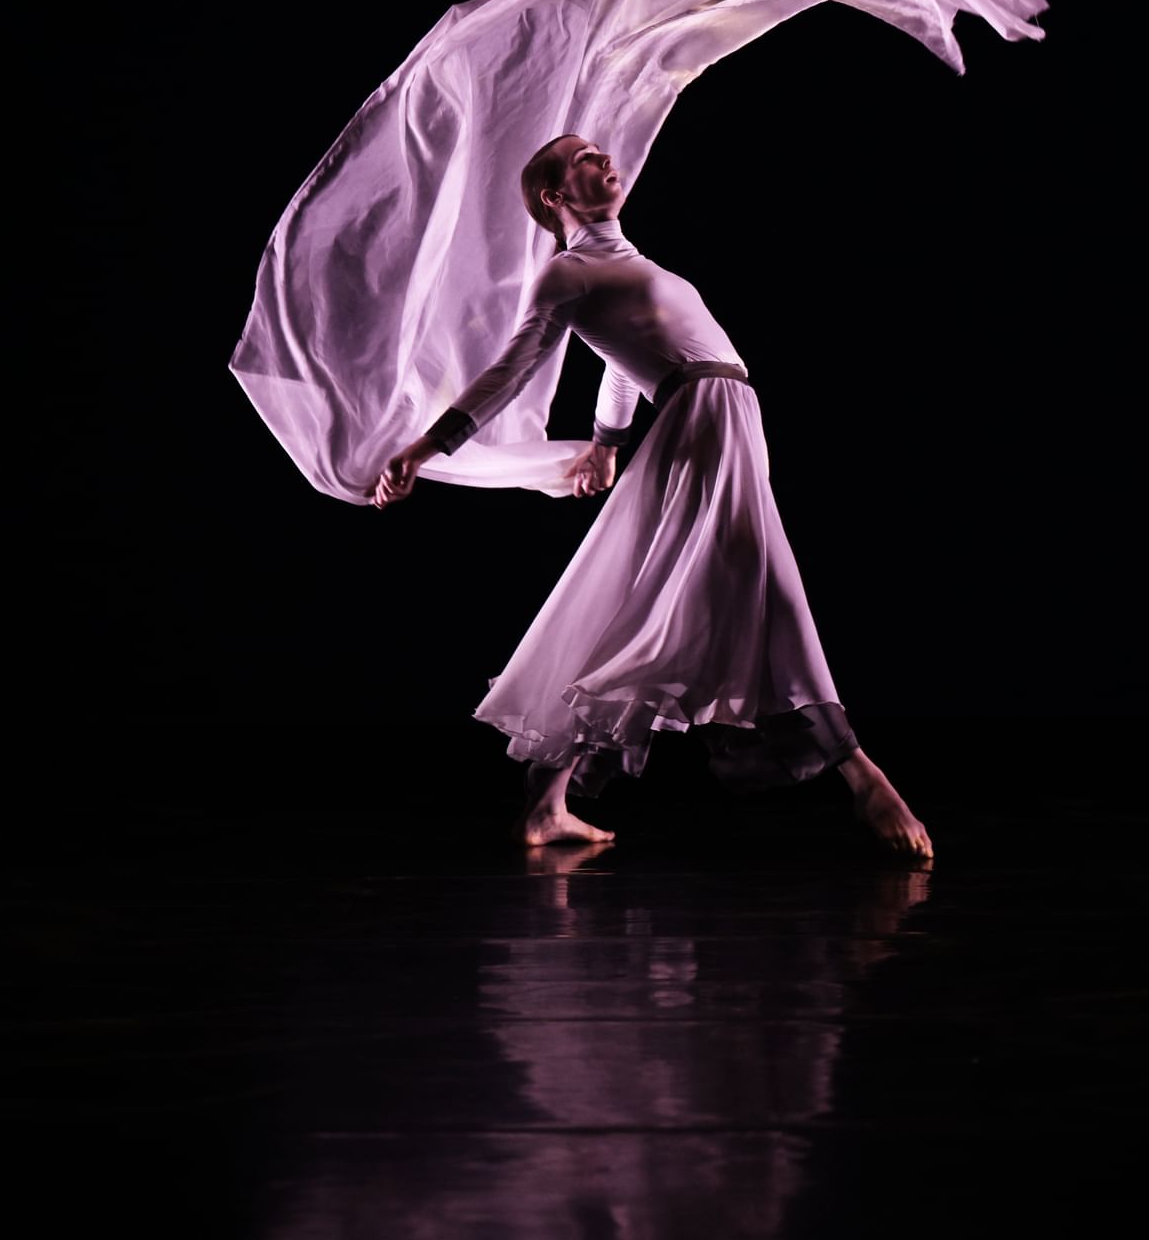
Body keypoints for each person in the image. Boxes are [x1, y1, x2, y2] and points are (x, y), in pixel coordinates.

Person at [373, 133, 933, 857]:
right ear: (554, 195)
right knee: (767, 584)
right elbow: (509, 372)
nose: (604, 160)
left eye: (603, 152)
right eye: (583, 159)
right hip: (702, 421)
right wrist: (424, 448)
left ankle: (546, 803)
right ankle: (864, 777)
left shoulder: (629, 264)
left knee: (643, 606)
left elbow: (616, 362)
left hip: (723, 417)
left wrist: (607, 441)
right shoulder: (565, 273)